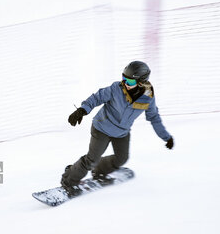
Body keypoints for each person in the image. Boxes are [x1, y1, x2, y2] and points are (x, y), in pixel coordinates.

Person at [61, 61, 174, 195]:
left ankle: (99, 171)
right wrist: (82, 110)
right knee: (91, 159)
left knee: (122, 158)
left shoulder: (147, 97)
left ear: (142, 82)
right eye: (124, 79)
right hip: (102, 128)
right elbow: (97, 97)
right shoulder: (116, 88)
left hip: (122, 132)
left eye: (130, 82)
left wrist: (166, 137)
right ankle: (68, 180)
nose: (125, 83)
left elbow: (154, 117)